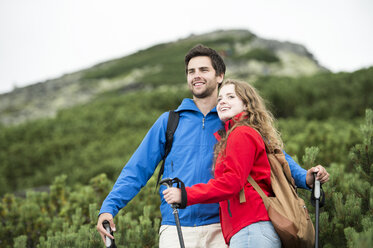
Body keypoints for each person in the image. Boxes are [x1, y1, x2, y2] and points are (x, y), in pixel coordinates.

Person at [96, 45, 329, 247]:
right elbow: (137, 170)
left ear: (220, 76)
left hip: (223, 228)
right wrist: (109, 207)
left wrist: (305, 178)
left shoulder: (235, 121)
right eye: (191, 71)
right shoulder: (169, 122)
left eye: (203, 70)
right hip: (176, 226)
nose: (196, 76)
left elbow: (273, 157)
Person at [164, 79, 285, 247]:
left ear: (246, 104)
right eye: (220, 99)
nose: (222, 102)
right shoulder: (241, 133)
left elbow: (231, 183)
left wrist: (185, 195)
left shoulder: (241, 133)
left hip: (250, 229)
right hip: (249, 229)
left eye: (231, 97)